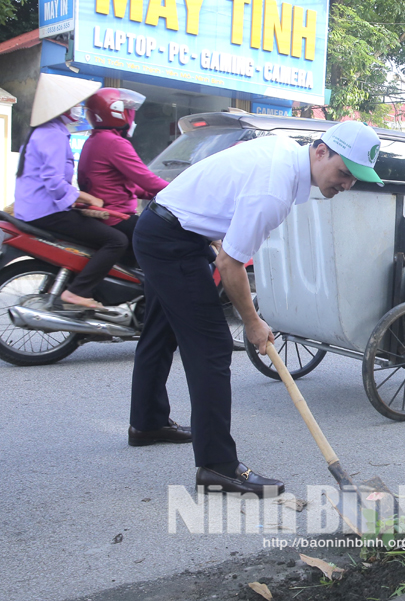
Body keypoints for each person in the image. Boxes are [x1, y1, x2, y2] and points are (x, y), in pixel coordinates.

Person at [128, 121, 383, 497]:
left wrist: (213, 232)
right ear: (320, 151)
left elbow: (226, 193)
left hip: (167, 227)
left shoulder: (282, 150)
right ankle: (218, 466)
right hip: (172, 241)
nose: (346, 185)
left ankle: (147, 422)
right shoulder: (274, 191)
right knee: (213, 348)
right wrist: (253, 322)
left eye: (355, 179)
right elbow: (230, 265)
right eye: (344, 173)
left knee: (160, 330)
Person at [13, 73, 128, 309]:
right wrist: (88, 198)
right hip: (47, 212)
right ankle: (78, 291)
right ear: (62, 107)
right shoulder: (54, 135)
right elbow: (54, 183)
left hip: (37, 210)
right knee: (116, 240)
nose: (79, 109)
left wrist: (82, 204)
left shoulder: (42, 132)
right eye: (75, 104)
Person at [79, 88, 169, 265]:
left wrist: (153, 192)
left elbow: (120, 184)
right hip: (116, 216)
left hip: (106, 213)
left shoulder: (96, 139)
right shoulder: (114, 142)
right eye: (129, 111)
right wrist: (182, 190)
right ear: (116, 112)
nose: (132, 117)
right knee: (170, 240)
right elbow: (148, 180)